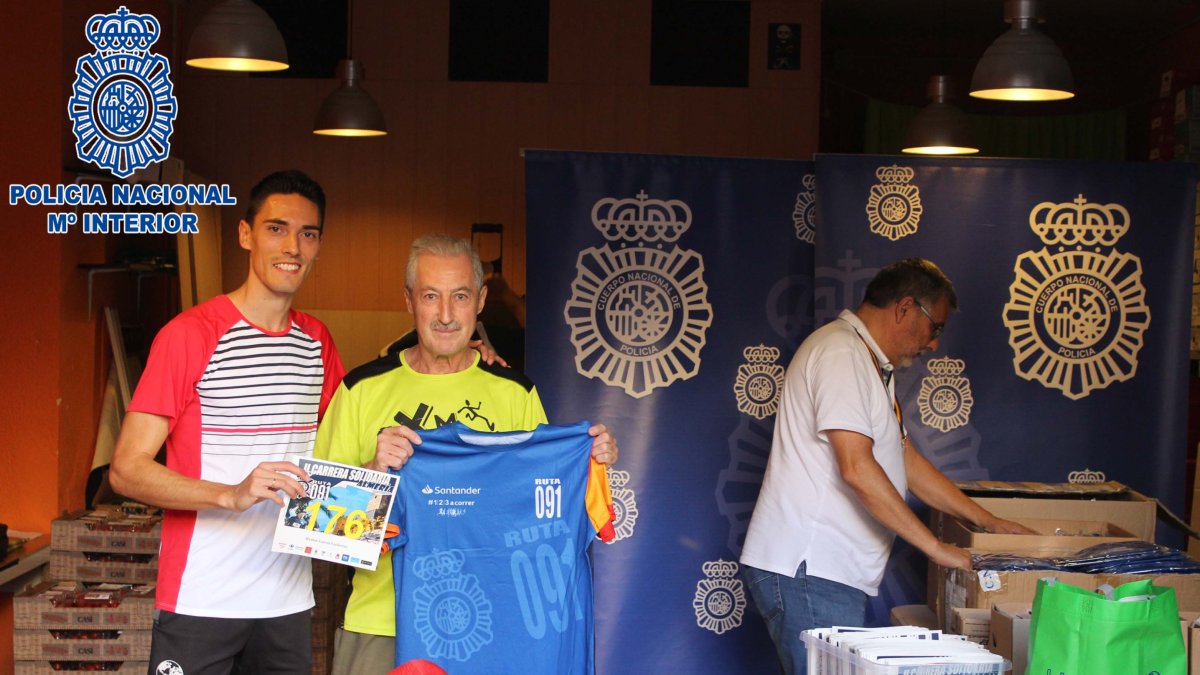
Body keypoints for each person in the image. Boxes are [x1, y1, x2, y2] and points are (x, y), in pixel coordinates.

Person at [314, 233, 619, 674]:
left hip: (494, 627)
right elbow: (317, 531)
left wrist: (590, 460)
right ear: (408, 301)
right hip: (380, 627)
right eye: (430, 296)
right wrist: (373, 474)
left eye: (458, 297)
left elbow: (544, 511)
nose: (444, 315)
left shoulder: (515, 393)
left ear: (480, 300)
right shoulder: (361, 390)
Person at [738, 258, 1033, 675]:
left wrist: (987, 521)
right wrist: (935, 548)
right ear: (905, 308)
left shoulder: (870, 364)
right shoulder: (840, 353)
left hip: (825, 574)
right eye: (936, 327)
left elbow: (905, 459)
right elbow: (856, 468)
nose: (933, 343)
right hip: (809, 570)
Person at [110, 170, 344, 674]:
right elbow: (126, 469)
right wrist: (230, 495)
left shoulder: (318, 343)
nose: (293, 247)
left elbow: (337, 463)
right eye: (276, 228)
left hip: (286, 603)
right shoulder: (189, 335)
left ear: (319, 245)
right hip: (201, 600)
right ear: (245, 235)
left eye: (308, 234)